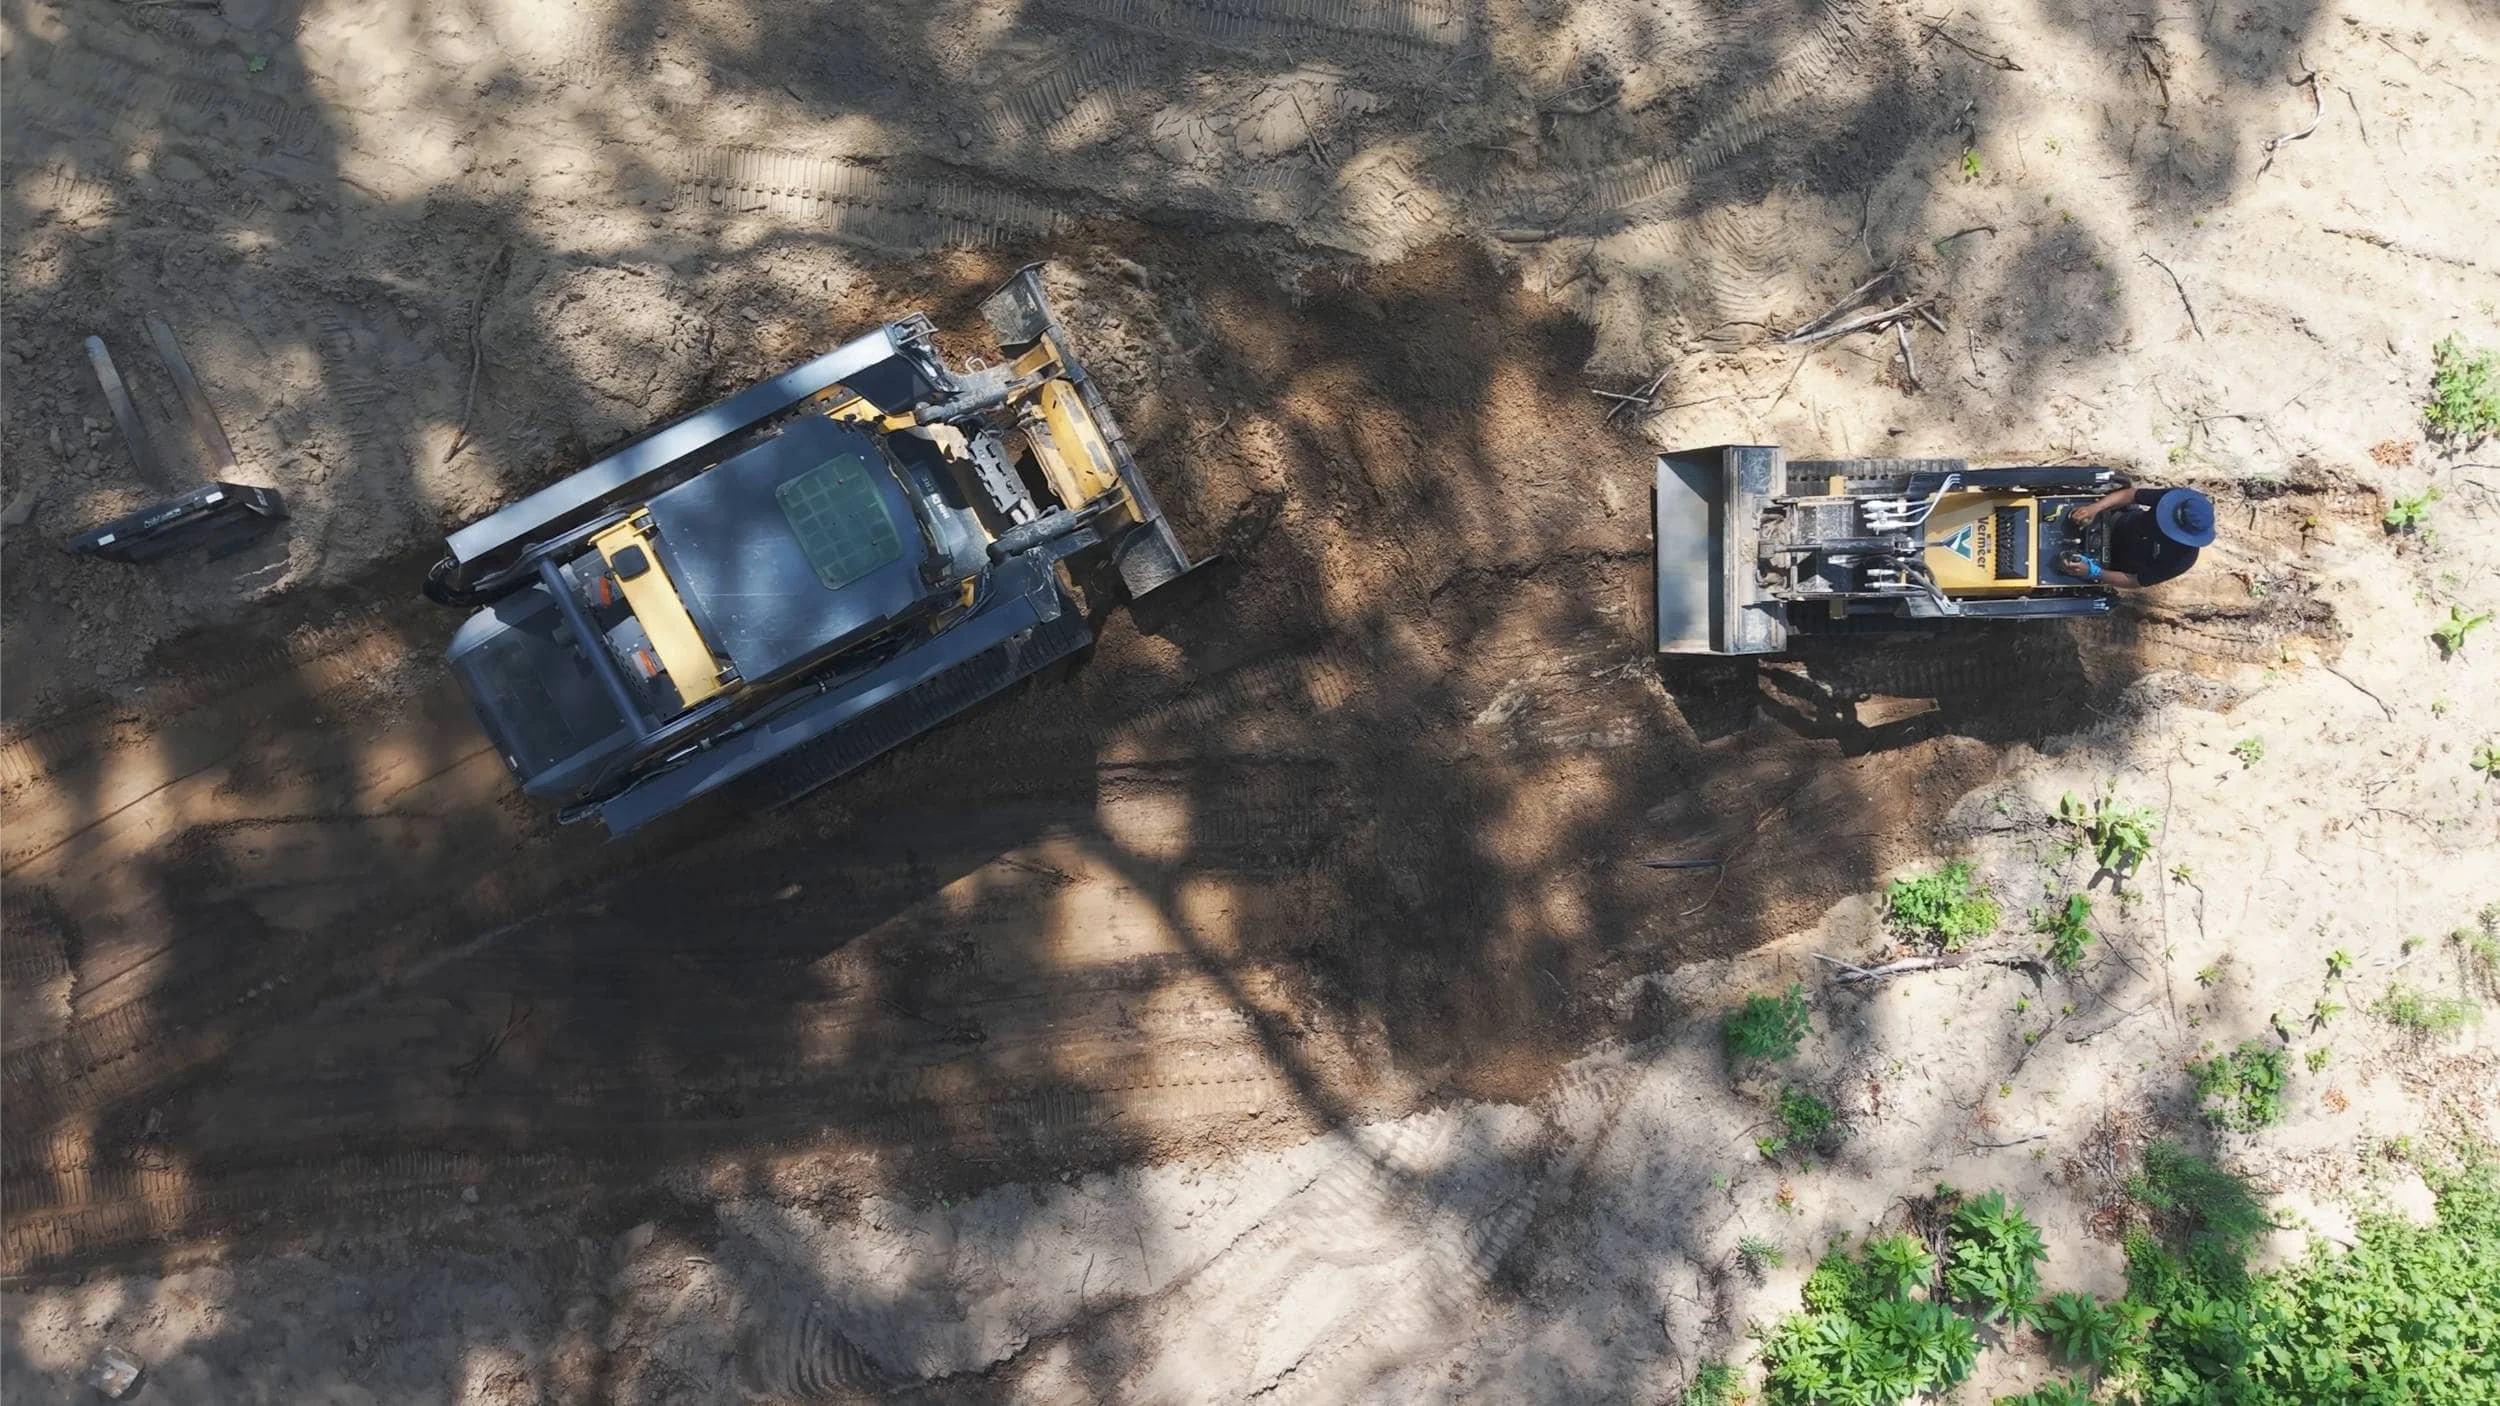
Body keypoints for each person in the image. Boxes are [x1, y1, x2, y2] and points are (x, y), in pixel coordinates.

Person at [2055, 484, 2213, 588]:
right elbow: (2131, 495)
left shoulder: (2183, 559)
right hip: (2115, 522)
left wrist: (2093, 572)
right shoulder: (2176, 498)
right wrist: (2095, 508)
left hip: (2110, 563)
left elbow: (2135, 581)